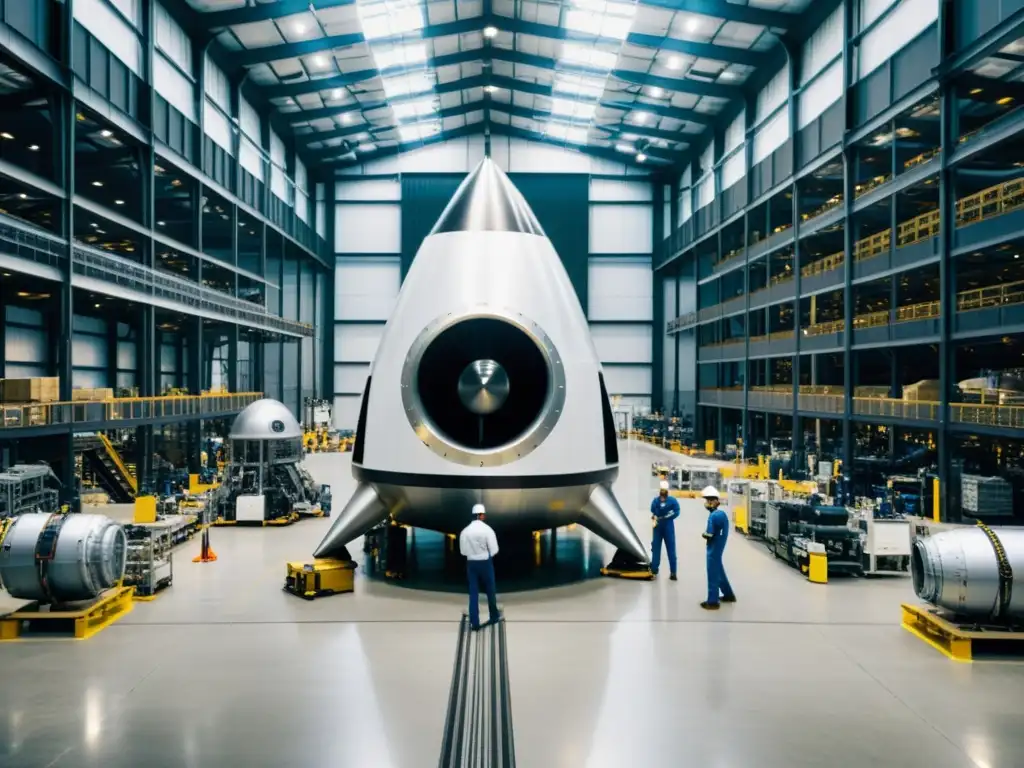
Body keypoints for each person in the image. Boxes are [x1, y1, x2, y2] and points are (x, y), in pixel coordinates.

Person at [459, 503, 500, 630]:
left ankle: (474, 622)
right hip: (485, 563)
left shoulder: (465, 531)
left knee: (473, 593)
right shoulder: (487, 530)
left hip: (471, 564)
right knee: (490, 590)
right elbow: (494, 549)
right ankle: (493, 616)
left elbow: (463, 551)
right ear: (481, 515)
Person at [700, 486, 736, 610]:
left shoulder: (714, 516)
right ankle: (728, 594)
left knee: (713, 572)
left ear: (714, 501)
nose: (706, 503)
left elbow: (709, 533)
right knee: (719, 570)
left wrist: (704, 534)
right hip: (719, 545)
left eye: (708, 500)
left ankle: (712, 601)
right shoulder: (720, 514)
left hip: (713, 547)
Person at [650, 480, 680, 580]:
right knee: (656, 548)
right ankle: (654, 570)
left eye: (664, 490)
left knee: (671, 549)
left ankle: (673, 572)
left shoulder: (672, 501)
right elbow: (653, 511)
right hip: (658, 527)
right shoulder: (655, 501)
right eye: (662, 490)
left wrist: (667, 516)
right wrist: (655, 517)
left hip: (668, 527)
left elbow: (677, 511)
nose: (663, 492)